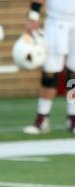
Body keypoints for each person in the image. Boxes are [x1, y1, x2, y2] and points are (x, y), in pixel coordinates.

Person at [24, 0, 75, 135]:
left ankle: (73, 117)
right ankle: (42, 118)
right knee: (50, 72)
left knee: (73, 74)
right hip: (56, 20)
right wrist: (33, 17)